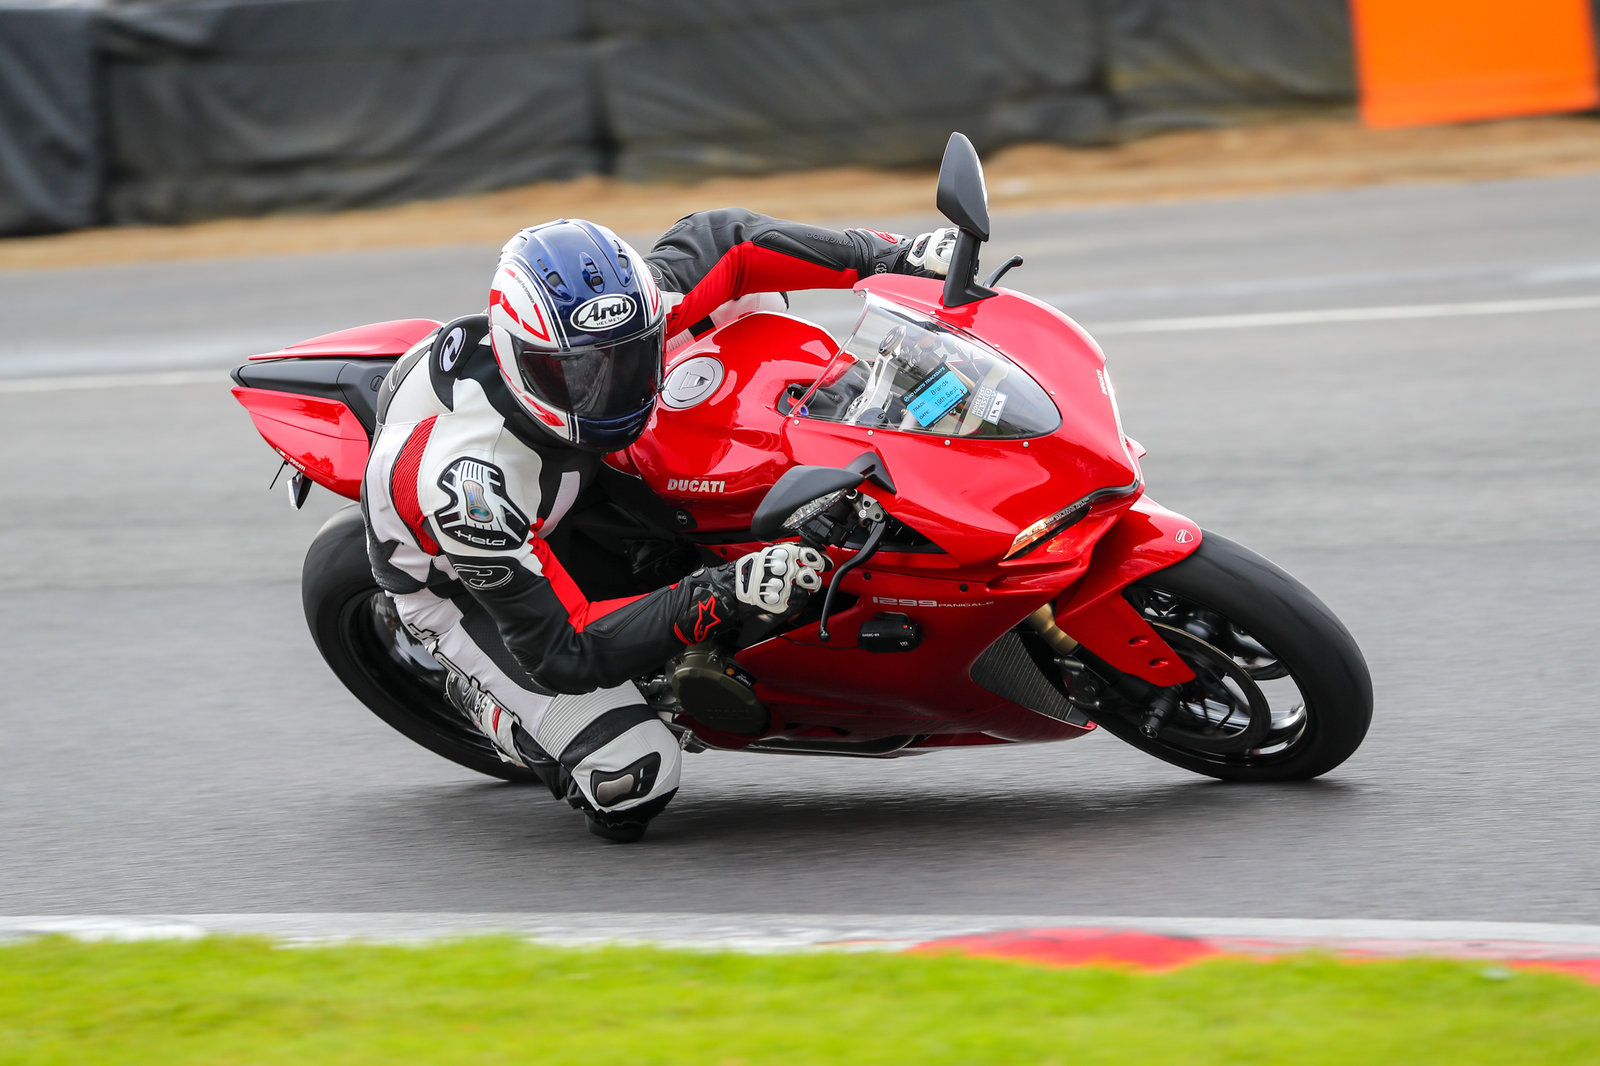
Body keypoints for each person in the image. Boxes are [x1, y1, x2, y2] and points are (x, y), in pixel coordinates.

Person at [360, 210, 956, 842]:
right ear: (521, 362)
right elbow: (566, 652)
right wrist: (728, 590)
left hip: (573, 474)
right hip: (462, 583)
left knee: (744, 313)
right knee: (633, 775)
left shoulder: (621, 314)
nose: (612, 389)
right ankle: (499, 711)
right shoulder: (470, 487)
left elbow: (733, 242)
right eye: (580, 375)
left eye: (630, 358)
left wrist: (894, 256)